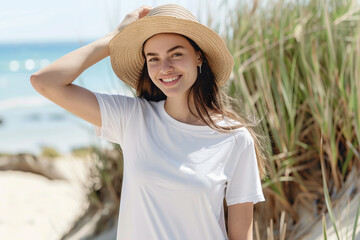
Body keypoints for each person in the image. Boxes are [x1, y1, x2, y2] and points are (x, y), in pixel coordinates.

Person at [31, 4, 269, 240]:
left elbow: (241, 235)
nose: (165, 68)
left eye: (176, 54)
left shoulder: (235, 138)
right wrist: (116, 36)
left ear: (199, 56)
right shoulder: (132, 118)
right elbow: (45, 82)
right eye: (153, 58)